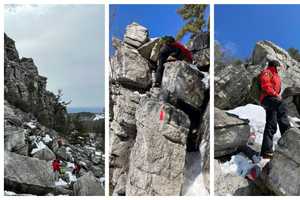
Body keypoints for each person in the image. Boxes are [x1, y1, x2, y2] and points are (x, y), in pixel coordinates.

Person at [259, 60, 291, 159]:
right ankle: (288, 134)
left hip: (271, 100)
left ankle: (266, 151)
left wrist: (276, 94)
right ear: (274, 66)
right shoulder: (267, 71)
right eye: (279, 66)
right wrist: (276, 95)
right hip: (267, 98)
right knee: (282, 105)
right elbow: (265, 84)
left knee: (271, 124)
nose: (280, 68)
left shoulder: (276, 75)